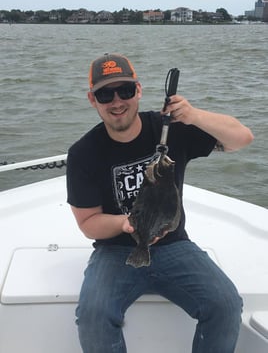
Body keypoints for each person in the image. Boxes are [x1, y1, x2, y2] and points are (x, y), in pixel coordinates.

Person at [66, 53, 254, 353]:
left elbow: (242, 138)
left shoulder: (170, 129)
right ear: (92, 99)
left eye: (125, 91)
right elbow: (89, 224)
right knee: (93, 316)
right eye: (105, 94)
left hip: (174, 244)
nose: (117, 102)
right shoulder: (83, 153)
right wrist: (124, 224)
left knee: (226, 304)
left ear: (138, 90)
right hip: (116, 249)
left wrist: (194, 116)